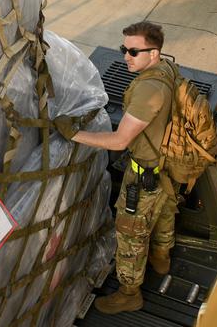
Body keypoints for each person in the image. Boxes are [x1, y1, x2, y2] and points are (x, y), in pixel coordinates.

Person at [58, 21, 178, 315]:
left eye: (134, 51)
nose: (126, 56)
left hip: (144, 174)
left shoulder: (148, 90)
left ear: (154, 53)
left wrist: (73, 134)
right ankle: (162, 257)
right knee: (163, 214)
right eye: (124, 49)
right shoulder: (167, 69)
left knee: (130, 234)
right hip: (166, 167)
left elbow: (119, 140)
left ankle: (129, 293)